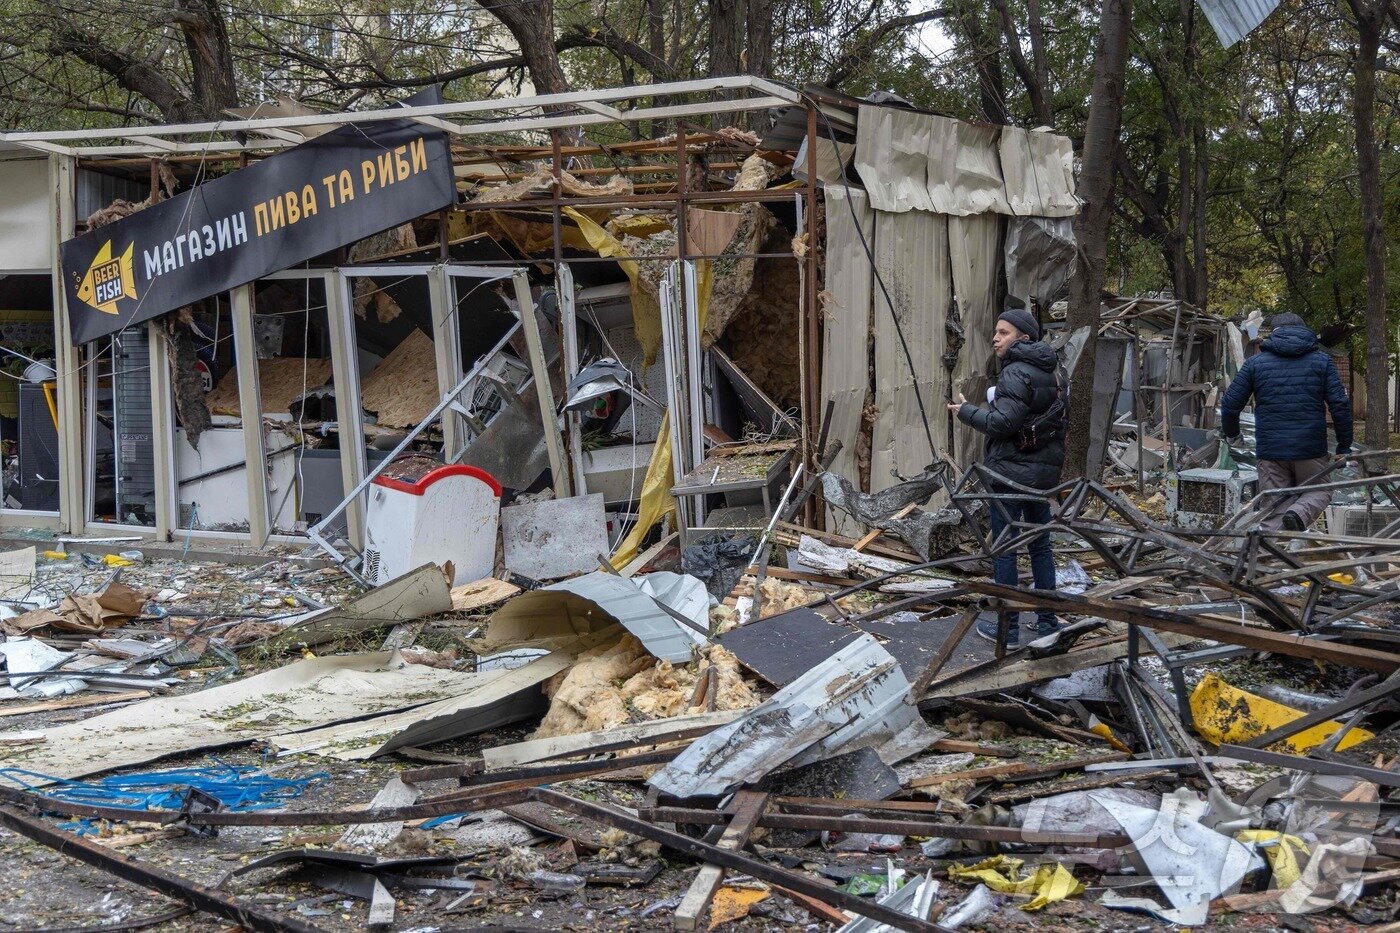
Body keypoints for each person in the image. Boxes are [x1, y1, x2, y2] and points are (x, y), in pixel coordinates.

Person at [948, 302, 1067, 646]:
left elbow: (1003, 423)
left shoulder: (1016, 372)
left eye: (1004, 333)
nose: (995, 338)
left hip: (1011, 474)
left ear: (1023, 338)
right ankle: (1047, 623)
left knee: (1005, 547)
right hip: (1041, 475)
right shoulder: (1054, 373)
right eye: (996, 332)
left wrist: (967, 412)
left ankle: (1008, 629)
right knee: (1041, 546)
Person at [1220, 313, 1353, 532]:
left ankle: (1270, 549)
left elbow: (1230, 405)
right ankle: (1298, 514)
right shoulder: (1322, 362)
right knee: (1319, 490)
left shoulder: (1255, 364)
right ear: (1304, 331)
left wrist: (1233, 435)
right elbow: (1340, 405)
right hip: (1310, 449)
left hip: (1271, 451)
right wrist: (1344, 446)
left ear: (1273, 333)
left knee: (1275, 507)